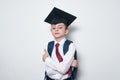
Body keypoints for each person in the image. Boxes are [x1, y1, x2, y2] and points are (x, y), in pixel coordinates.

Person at [42, 7, 78, 80]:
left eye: (60, 27)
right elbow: (48, 68)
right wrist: (64, 66)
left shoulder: (70, 46)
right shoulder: (49, 45)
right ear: (51, 31)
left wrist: (46, 59)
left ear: (66, 31)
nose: (56, 29)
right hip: (49, 78)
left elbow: (63, 70)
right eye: (53, 28)